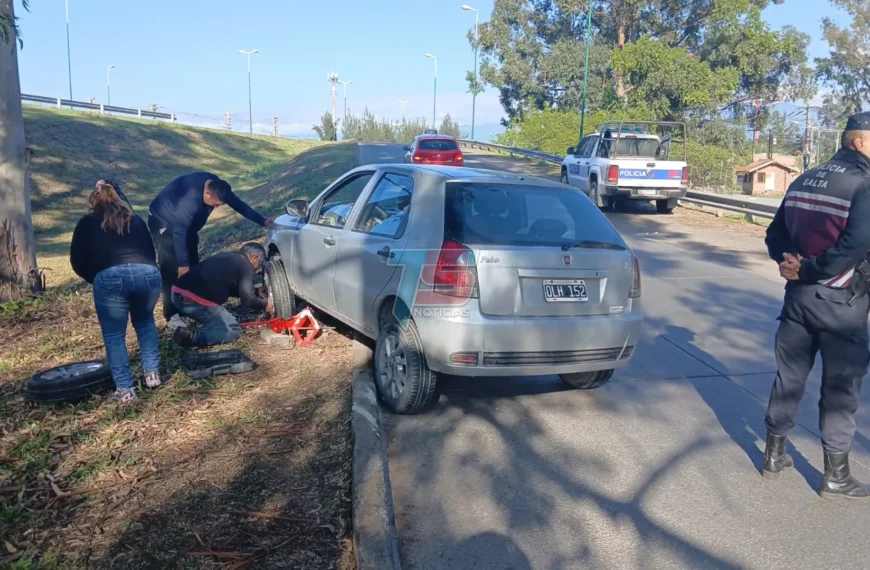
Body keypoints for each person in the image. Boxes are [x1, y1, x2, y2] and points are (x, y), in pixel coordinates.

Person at [763, 112, 870, 500]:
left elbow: (774, 235)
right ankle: (836, 477)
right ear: (859, 142)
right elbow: (854, 246)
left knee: (789, 377)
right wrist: (808, 269)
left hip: (798, 299)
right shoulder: (864, 184)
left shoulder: (804, 179)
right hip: (841, 302)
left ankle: (773, 455)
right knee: (841, 388)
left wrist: (789, 264)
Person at [70, 180, 163, 403]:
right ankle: (152, 374)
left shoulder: (86, 223)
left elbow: (77, 260)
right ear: (120, 199)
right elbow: (151, 252)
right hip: (147, 272)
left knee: (114, 336)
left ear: (93, 203)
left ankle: (125, 389)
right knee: (145, 323)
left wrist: (95, 278)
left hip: (110, 276)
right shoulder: (136, 220)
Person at [147, 172, 276, 328]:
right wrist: (182, 264)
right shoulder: (190, 201)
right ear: (207, 193)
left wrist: (263, 221)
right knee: (171, 266)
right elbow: (180, 232)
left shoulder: (220, 188)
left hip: (187, 226)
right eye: (214, 204)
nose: (215, 207)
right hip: (164, 220)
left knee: (194, 264)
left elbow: (239, 205)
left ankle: (192, 306)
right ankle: (172, 315)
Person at [171, 242, 274, 347]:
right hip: (194, 301)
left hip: (176, 294)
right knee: (233, 331)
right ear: (255, 258)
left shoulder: (227, 256)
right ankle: (191, 336)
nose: (258, 269)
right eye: (260, 264)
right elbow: (248, 300)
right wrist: (265, 305)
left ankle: (200, 325)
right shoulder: (247, 266)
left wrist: (256, 292)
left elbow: (232, 288)